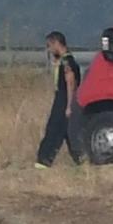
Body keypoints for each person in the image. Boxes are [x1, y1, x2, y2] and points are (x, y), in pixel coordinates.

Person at [35, 29, 86, 166]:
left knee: (54, 129)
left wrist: (69, 105)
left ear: (56, 43)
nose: (49, 50)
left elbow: (71, 84)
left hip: (64, 99)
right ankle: (81, 159)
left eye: (50, 46)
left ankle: (44, 160)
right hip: (63, 98)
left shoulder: (67, 63)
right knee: (68, 131)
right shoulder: (63, 61)